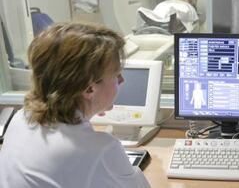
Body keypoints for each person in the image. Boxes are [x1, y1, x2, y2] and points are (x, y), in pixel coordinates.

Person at [0, 23, 151, 188]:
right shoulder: (99, 149)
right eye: (116, 75)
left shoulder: (21, 118)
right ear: (89, 89)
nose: (122, 80)